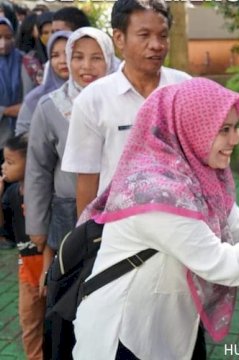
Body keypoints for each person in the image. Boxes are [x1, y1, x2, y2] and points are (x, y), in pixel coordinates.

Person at [72, 78, 239, 359]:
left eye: (236, 127)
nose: (236, 138)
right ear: (192, 128)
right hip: (123, 337)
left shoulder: (194, 173)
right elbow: (223, 264)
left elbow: (235, 226)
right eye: (224, 129)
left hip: (163, 328)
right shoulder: (157, 194)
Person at [24, 27, 120, 359]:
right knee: (68, 293)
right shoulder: (50, 107)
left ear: (110, 58)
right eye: (77, 57)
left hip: (118, 212)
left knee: (109, 290)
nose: (86, 67)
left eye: (96, 57)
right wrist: (37, 226)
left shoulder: (122, 100)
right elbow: (36, 168)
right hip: (67, 213)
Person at [62, 0, 190, 217]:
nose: (156, 45)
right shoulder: (93, 100)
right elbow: (87, 179)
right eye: (144, 35)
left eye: (163, 35)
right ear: (119, 38)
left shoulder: (186, 89)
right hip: (120, 229)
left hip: (183, 218)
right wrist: (88, 238)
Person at [0, 134, 46, 360]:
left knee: (55, 322)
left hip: (50, 266)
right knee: (29, 323)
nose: (3, 167)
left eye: (10, 162)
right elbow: (4, 231)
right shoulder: (9, 194)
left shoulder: (48, 191)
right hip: (27, 270)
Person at [0, 15, 36, 250]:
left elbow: (30, 102)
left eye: (8, 37)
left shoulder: (24, 63)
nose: (3, 43)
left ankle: (17, 233)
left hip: (18, 140)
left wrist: (3, 109)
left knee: (18, 190)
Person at [15, 30, 70, 135]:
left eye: (68, 53)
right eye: (55, 55)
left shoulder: (90, 94)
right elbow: (21, 136)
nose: (62, 60)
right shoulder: (36, 98)